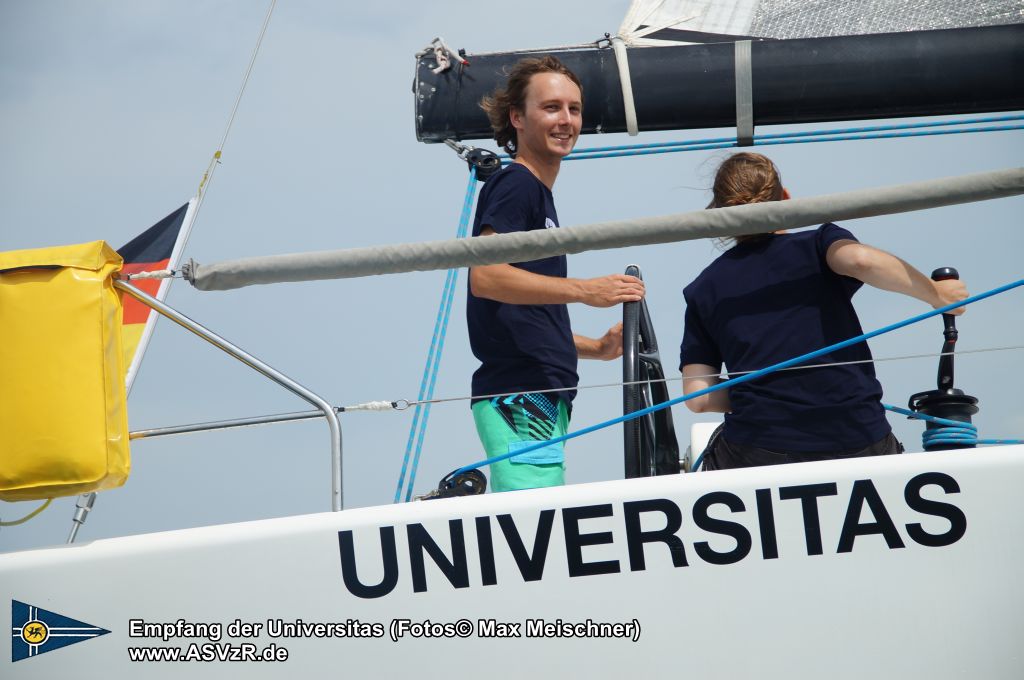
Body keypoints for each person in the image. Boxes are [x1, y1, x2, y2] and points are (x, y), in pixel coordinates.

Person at [680, 152, 969, 469]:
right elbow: (861, 260)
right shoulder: (819, 243)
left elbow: (698, 397)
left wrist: (764, 393)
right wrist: (937, 294)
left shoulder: (702, 288)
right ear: (786, 199)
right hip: (860, 437)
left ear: (721, 213)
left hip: (762, 450)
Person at [468, 56, 645, 491]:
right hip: (521, 397)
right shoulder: (517, 185)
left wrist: (597, 348)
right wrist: (585, 290)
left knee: (538, 517)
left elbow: (524, 321)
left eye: (574, 109)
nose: (566, 120)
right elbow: (486, 277)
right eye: (551, 108)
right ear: (517, 118)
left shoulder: (537, 196)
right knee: (533, 521)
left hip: (536, 394)